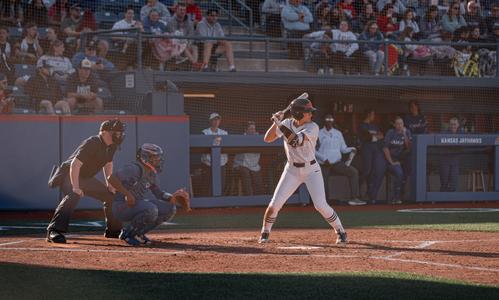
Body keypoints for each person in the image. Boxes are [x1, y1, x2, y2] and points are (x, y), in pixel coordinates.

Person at [258, 93, 348, 244]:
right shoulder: (286, 123)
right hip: (291, 170)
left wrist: (279, 124)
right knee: (274, 205)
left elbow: (295, 141)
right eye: (308, 112)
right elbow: (267, 139)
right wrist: (276, 123)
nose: (311, 114)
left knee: (320, 205)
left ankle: (340, 231)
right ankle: (265, 232)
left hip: (311, 170)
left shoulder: (313, 127)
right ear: (299, 113)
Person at [46, 119, 126, 244]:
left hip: (85, 177)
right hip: (69, 174)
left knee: (111, 196)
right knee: (74, 195)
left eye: (120, 133)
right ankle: (53, 231)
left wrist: (109, 184)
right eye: (115, 133)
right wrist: (76, 187)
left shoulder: (112, 146)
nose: (119, 135)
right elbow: (75, 165)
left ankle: (113, 231)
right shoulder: (93, 142)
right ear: (104, 132)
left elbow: (108, 164)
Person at [108, 143, 191, 246]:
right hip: (121, 205)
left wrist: (173, 197)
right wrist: (127, 194)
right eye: (155, 157)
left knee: (169, 209)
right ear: (145, 157)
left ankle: (139, 233)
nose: (158, 160)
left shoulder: (152, 173)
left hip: (137, 204)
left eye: (158, 157)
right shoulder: (134, 168)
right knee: (151, 209)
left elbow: (159, 194)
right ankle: (128, 234)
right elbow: (111, 178)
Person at [316, 114, 365, 206]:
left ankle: (354, 198)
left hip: (336, 163)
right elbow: (313, 151)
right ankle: (324, 202)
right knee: (322, 179)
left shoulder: (338, 133)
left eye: (331, 119)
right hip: (324, 163)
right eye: (327, 119)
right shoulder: (318, 133)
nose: (329, 121)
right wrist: (324, 159)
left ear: (333, 120)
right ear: (324, 120)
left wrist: (351, 149)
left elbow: (343, 148)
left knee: (353, 172)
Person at [359, 108, 386, 202]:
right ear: (369, 114)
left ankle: (370, 195)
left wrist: (375, 137)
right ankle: (359, 193)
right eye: (373, 114)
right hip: (366, 151)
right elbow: (368, 137)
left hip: (376, 151)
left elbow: (382, 136)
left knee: (374, 172)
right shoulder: (362, 125)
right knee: (366, 171)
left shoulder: (374, 126)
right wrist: (374, 137)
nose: (374, 117)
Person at [383, 116, 412, 204]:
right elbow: (385, 148)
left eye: (401, 124)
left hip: (402, 159)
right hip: (390, 159)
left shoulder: (407, 132)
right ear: (394, 125)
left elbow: (409, 147)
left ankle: (400, 195)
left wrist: (404, 134)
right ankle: (396, 197)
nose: (400, 125)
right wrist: (391, 162)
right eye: (398, 124)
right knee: (399, 173)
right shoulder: (390, 132)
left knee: (406, 172)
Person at [233, 121, 264, 196]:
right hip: (241, 165)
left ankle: (260, 200)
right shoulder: (242, 138)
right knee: (246, 177)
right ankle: (250, 199)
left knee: (258, 182)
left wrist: (257, 138)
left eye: (254, 129)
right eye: (251, 129)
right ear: (246, 130)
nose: (253, 131)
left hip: (254, 166)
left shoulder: (259, 138)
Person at [201, 112, 229, 195]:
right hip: (208, 163)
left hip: (222, 162)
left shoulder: (224, 133)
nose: (216, 121)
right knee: (208, 184)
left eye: (218, 120)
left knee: (222, 183)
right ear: (210, 121)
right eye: (214, 120)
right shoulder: (205, 132)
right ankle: (207, 203)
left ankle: (220, 203)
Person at [439, 117, 464, 192]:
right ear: (449, 125)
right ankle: (442, 200)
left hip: (455, 161)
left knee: (453, 183)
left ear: (458, 125)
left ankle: (452, 200)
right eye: (451, 124)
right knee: (444, 183)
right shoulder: (444, 134)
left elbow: (462, 148)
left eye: (454, 124)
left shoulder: (461, 134)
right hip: (445, 161)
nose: (453, 126)